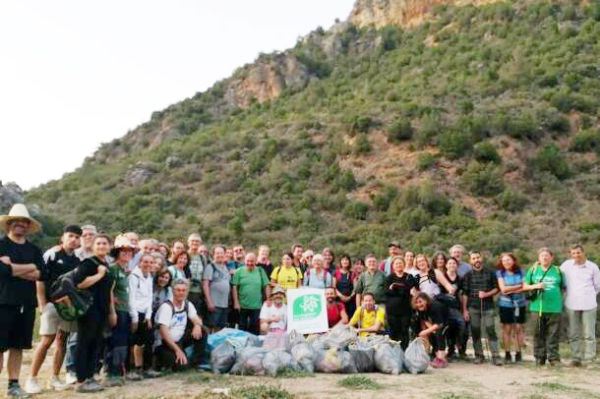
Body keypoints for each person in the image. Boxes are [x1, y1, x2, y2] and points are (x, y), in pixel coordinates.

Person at [25, 225, 81, 394]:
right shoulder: (52, 254)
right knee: (46, 340)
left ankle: (55, 378)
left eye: (77, 237)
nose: (74, 239)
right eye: (70, 236)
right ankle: (31, 379)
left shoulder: (77, 261)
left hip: (67, 307)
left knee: (62, 341)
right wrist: (42, 303)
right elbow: (40, 279)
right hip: (51, 304)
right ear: (62, 237)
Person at [0, 204, 44, 398]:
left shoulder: (35, 249)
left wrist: (13, 269)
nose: (20, 224)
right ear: (9, 224)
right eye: (16, 220)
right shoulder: (1, 245)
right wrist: (30, 268)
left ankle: (13, 385)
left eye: (24, 221)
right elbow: (2, 272)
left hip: (26, 303)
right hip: (2, 302)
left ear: (28, 226)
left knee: (18, 346)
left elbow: (42, 274)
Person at [73, 234, 113, 392]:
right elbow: (80, 283)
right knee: (84, 343)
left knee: (95, 343)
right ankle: (81, 381)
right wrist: (99, 275)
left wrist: (111, 311)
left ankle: (90, 377)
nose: (102, 246)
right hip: (88, 309)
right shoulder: (88, 263)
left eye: (105, 243)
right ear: (93, 246)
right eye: (99, 243)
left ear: (109, 246)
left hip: (101, 309)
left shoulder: (106, 263)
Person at [523, 247, 564, 366]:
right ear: (539, 258)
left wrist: (558, 299)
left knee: (553, 334)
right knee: (538, 333)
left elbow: (563, 287)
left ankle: (553, 358)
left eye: (547, 255)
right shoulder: (533, 270)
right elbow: (525, 286)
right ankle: (539, 358)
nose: (545, 257)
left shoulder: (558, 270)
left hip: (554, 308)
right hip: (537, 307)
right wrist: (535, 286)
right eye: (542, 256)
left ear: (552, 258)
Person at [560, 244, 600, 367]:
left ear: (583, 252)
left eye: (578, 252)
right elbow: (558, 276)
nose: (576, 255)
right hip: (571, 303)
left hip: (589, 303)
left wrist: (588, 295)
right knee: (574, 333)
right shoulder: (566, 266)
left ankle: (590, 359)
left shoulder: (592, 267)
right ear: (571, 254)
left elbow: (598, 286)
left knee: (589, 334)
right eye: (573, 253)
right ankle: (575, 358)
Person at [154, 279, 207, 371]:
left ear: (187, 292)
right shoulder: (166, 307)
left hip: (180, 339)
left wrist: (197, 325)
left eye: (184, 290)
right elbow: (164, 334)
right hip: (166, 343)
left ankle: (196, 363)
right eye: (178, 290)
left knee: (202, 331)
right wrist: (177, 350)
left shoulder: (187, 304)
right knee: (181, 368)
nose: (181, 293)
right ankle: (159, 359)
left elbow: (197, 319)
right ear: (173, 291)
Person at [104, 235, 135, 387]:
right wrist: (112, 311)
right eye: (123, 251)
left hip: (124, 310)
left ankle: (118, 371)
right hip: (116, 311)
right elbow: (108, 290)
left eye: (130, 251)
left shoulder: (125, 270)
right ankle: (111, 373)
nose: (127, 253)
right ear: (117, 252)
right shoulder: (113, 268)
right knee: (114, 342)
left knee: (122, 341)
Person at [461, 251, 502, 366]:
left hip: (488, 307)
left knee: (490, 330)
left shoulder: (490, 272)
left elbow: (496, 288)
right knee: (475, 331)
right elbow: (465, 293)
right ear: (470, 261)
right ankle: (479, 355)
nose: (476, 260)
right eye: (473, 258)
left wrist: (486, 294)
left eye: (478, 257)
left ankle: (496, 356)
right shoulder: (468, 275)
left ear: (481, 258)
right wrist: (464, 310)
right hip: (473, 307)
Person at [128, 254, 159, 380]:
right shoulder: (134, 276)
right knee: (132, 342)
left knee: (149, 340)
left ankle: (147, 368)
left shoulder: (149, 277)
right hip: (134, 312)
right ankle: (131, 370)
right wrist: (135, 318)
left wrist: (148, 316)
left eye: (151, 262)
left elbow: (149, 297)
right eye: (145, 262)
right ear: (139, 263)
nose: (148, 264)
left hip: (146, 314)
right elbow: (131, 298)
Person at [496, 253, 526, 364]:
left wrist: (511, 289)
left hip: (519, 304)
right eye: (504, 261)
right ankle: (507, 353)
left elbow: (525, 287)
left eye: (508, 260)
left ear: (513, 260)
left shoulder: (521, 272)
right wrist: (519, 286)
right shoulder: (500, 273)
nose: (506, 262)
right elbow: (503, 289)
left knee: (518, 328)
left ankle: (518, 353)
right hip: (505, 304)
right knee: (507, 329)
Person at [232, 253, 270, 335]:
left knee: (255, 328)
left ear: (256, 261)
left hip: (257, 306)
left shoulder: (260, 271)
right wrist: (236, 302)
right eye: (247, 261)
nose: (249, 263)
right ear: (244, 261)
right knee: (242, 328)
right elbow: (234, 287)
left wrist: (268, 299)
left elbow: (266, 286)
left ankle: (253, 347)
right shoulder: (239, 271)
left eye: (252, 261)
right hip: (242, 306)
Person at [385, 256, 418, 349]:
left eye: (400, 263)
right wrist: (402, 289)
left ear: (404, 264)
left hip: (405, 309)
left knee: (404, 330)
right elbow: (387, 292)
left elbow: (408, 288)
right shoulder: (389, 277)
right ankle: (394, 351)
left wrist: (395, 287)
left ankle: (404, 350)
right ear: (393, 266)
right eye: (396, 263)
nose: (399, 265)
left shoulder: (409, 276)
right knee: (393, 331)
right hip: (392, 310)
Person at [412, 293, 449, 368]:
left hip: (448, 322)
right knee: (432, 333)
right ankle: (431, 356)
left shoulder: (435, 306)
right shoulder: (420, 309)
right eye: (416, 303)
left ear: (426, 301)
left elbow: (439, 324)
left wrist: (426, 331)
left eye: (420, 301)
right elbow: (424, 320)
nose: (418, 304)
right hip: (436, 323)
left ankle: (441, 360)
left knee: (439, 333)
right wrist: (428, 331)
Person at [441, 257, 465, 360]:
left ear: (456, 265)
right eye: (449, 263)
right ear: (446, 265)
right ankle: (450, 351)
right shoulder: (443, 276)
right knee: (448, 328)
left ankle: (457, 347)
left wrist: (463, 309)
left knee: (461, 325)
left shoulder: (459, 278)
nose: (451, 265)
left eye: (454, 263)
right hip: (444, 307)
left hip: (456, 307)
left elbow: (461, 294)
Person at [202, 246, 231, 331]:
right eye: (217, 253)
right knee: (210, 328)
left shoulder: (226, 267)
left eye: (221, 253)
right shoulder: (210, 267)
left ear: (225, 254)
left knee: (220, 328)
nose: (219, 255)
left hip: (224, 304)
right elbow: (205, 285)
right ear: (213, 255)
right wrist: (209, 302)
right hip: (214, 304)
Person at [187, 234, 207, 318]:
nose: (195, 243)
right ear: (188, 243)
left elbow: (204, 275)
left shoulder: (202, 258)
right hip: (185, 291)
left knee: (195, 315)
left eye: (197, 241)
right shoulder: (185, 256)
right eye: (192, 241)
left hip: (198, 292)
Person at [335, 254, 356, 319]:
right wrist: (341, 296)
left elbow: (355, 288)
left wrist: (349, 297)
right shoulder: (336, 273)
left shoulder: (352, 273)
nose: (345, 261)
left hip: (351, 301)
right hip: (339, 301)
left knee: (351, 319)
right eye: (343, 260)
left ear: (349, 262)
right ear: (340, 262)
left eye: (347, 260)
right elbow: (334, 287)